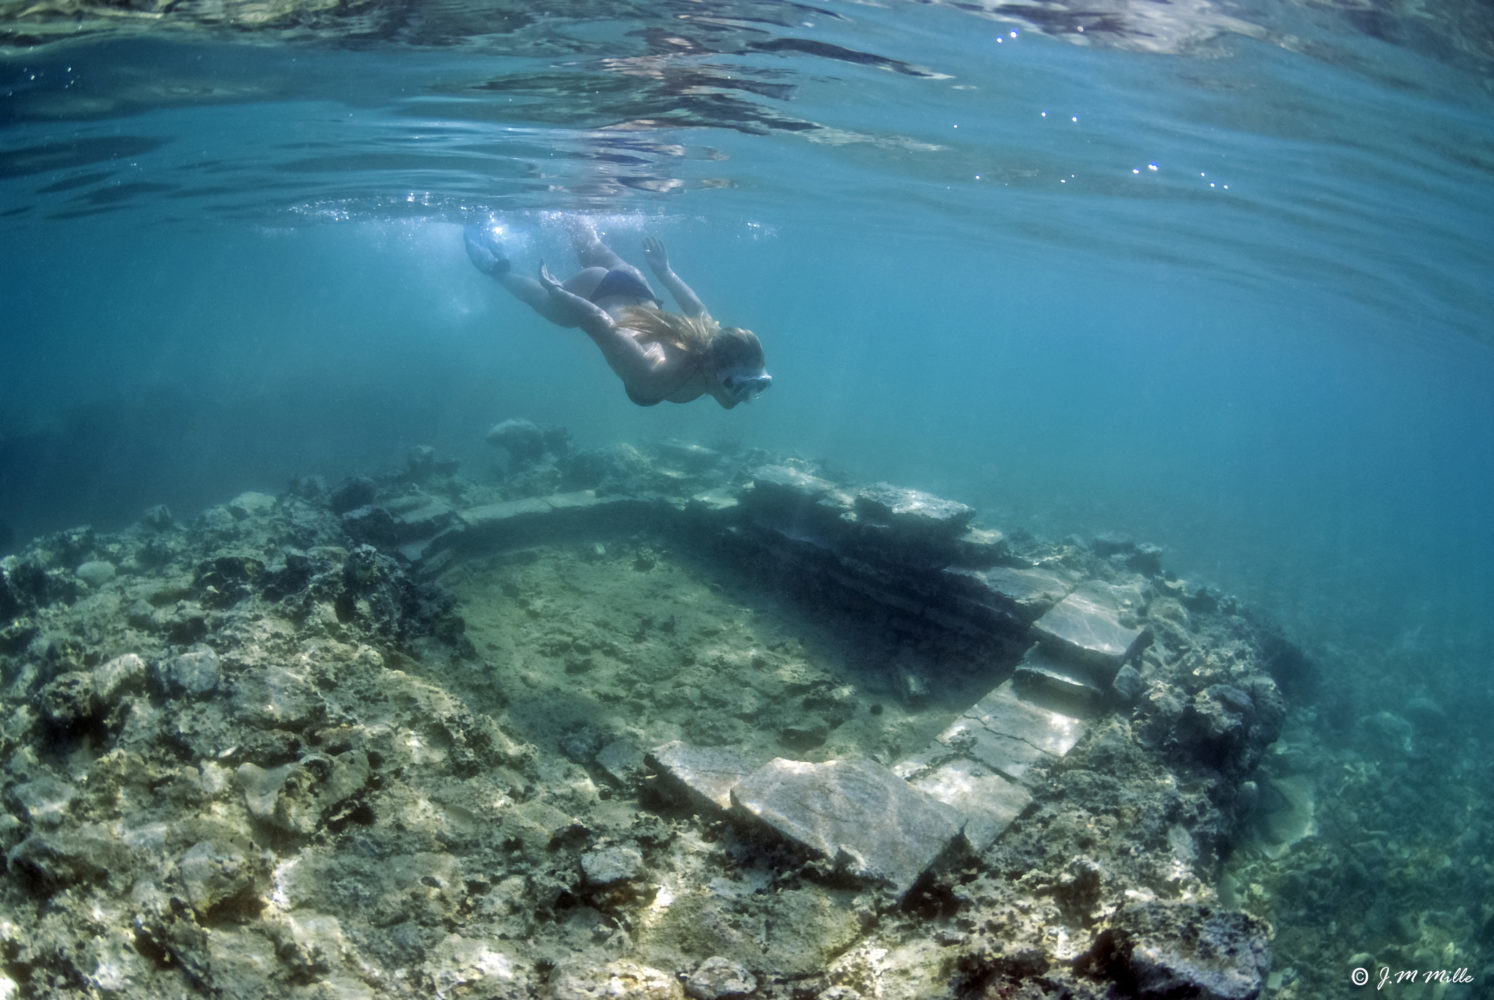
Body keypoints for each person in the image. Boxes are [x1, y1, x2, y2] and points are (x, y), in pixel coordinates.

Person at [464, 220, 771, 408]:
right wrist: (559, 294)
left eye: (756, 383)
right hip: (597, 291)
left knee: (588, 242)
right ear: (715, 372)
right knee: (543, 303)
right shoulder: (651, 378)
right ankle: (495, 269)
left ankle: (576, 191)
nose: (746, 397)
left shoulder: (709, 341)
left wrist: (665, 272)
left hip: (636, 282)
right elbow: (601, 324)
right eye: (743, 385)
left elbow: (698, 310)